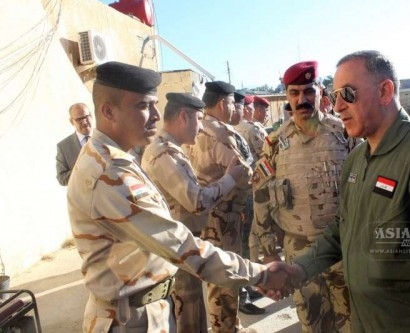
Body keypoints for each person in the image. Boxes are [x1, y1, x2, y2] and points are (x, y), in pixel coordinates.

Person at [67, 61, 288, 333]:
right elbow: (178, 242)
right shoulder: (108, 172)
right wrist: (261, 274)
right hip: (128, 319)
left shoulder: (117, 157)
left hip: (144, 308)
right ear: (108, 111)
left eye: (154, 105)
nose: (156, 116)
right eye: (143, 106)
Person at [279, 50, 410, 332]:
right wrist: (298, 269)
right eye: (335, 95)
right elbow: (342, 228)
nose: (337, 106)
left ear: (385, 91)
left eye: (347, 94)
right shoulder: (357, 158)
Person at [252, 60, 353, 333]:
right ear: (287, 96)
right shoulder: (275, 142)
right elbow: (261, 197)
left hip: (343, 250)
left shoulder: (345, 133)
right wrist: (267, 252)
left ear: (321, 91)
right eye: (294, 93)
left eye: (308, 91)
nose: (302, 99)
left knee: (352, 325)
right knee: (313, 325)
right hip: (298, 251)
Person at [140, 92, 251, 332]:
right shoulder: (164, 153)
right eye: (199, 119)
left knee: (195, 315)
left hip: (183, 247)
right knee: (187, 320)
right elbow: (196, 201)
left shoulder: (171, 150)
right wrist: (230, 179)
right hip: (174, 250)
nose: (201, 127)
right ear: (183, 116)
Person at [187, 81, 258, 332]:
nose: (232, 108)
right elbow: (243, 174)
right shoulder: (222, 133)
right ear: (222, 103)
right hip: (224, 219)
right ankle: (227, 328)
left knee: (216, 278)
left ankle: (228, 325)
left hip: (204, 215)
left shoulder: (195, 128)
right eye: (231, 103)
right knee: (226, 280)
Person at [229, 92, 266, 316]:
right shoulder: (233, 133)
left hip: (241, 197)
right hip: (240, 199)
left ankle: (246, 288)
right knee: (239, 248)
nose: (244, 111)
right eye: (243, 107)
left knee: (242, 245)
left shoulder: (233, 131)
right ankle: (242, 295)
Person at [56, 102, 93, 185]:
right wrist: (80, 169)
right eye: (79, 119)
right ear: (71, 121)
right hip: (84, 196)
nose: (84, 122)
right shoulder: (63, 147)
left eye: (86, 117)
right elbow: (62, 179)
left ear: (91, 116)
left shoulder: (105, 137)